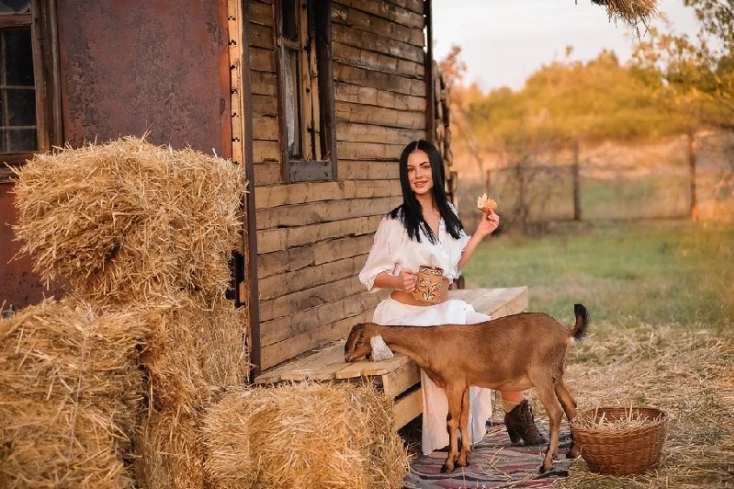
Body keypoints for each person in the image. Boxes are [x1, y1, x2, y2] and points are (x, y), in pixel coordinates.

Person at [358, 139, 545, 455]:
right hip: (406, 315)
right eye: (410, 169)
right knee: (455, 348)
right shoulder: (395, 221)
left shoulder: (449, 213)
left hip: (442, 308)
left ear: (435, 169)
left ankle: (516, 412)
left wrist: (482, 233)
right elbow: (369, 275)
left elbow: (453, 267)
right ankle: (454, 433)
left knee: (495, 334)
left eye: (424, 166)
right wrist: (398, 280)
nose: (418, 175)